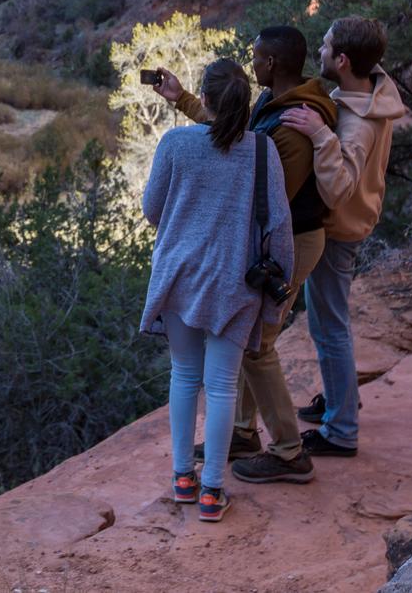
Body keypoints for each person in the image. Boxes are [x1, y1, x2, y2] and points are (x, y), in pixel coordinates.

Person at [152, 27, 337, 485]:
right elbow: (233, 140)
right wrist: (183, 101)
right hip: (257, 250)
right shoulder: (270, 112)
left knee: (256, 349)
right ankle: (237, 437)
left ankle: (289, 450)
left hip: (281, 247)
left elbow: (267, 204)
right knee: (234, 362)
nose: (252, 62)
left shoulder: (291, 126)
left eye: (256, 55)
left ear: (272, 63)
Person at [139, 58, 292, 523]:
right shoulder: (263, 151)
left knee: (184, 376)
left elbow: (151, 210)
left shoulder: (175, 144)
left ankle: (182, 477)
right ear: (246, 105)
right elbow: (279, 228)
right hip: (233, 283)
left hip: (181, 276)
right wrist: (277, 294)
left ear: (202, 99)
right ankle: (212, 492)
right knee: (222, 384)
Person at [278, 16, 405, 459]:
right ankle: (338, 400)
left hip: (338, 231)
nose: (320, 52)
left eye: (327, 47)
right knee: (328, 323)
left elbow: (339, 187)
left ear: (344, 60)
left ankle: (342, 430)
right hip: (350, 224)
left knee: (329, 328)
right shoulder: (369, 90)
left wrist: (317, 135)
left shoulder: (358, 123)